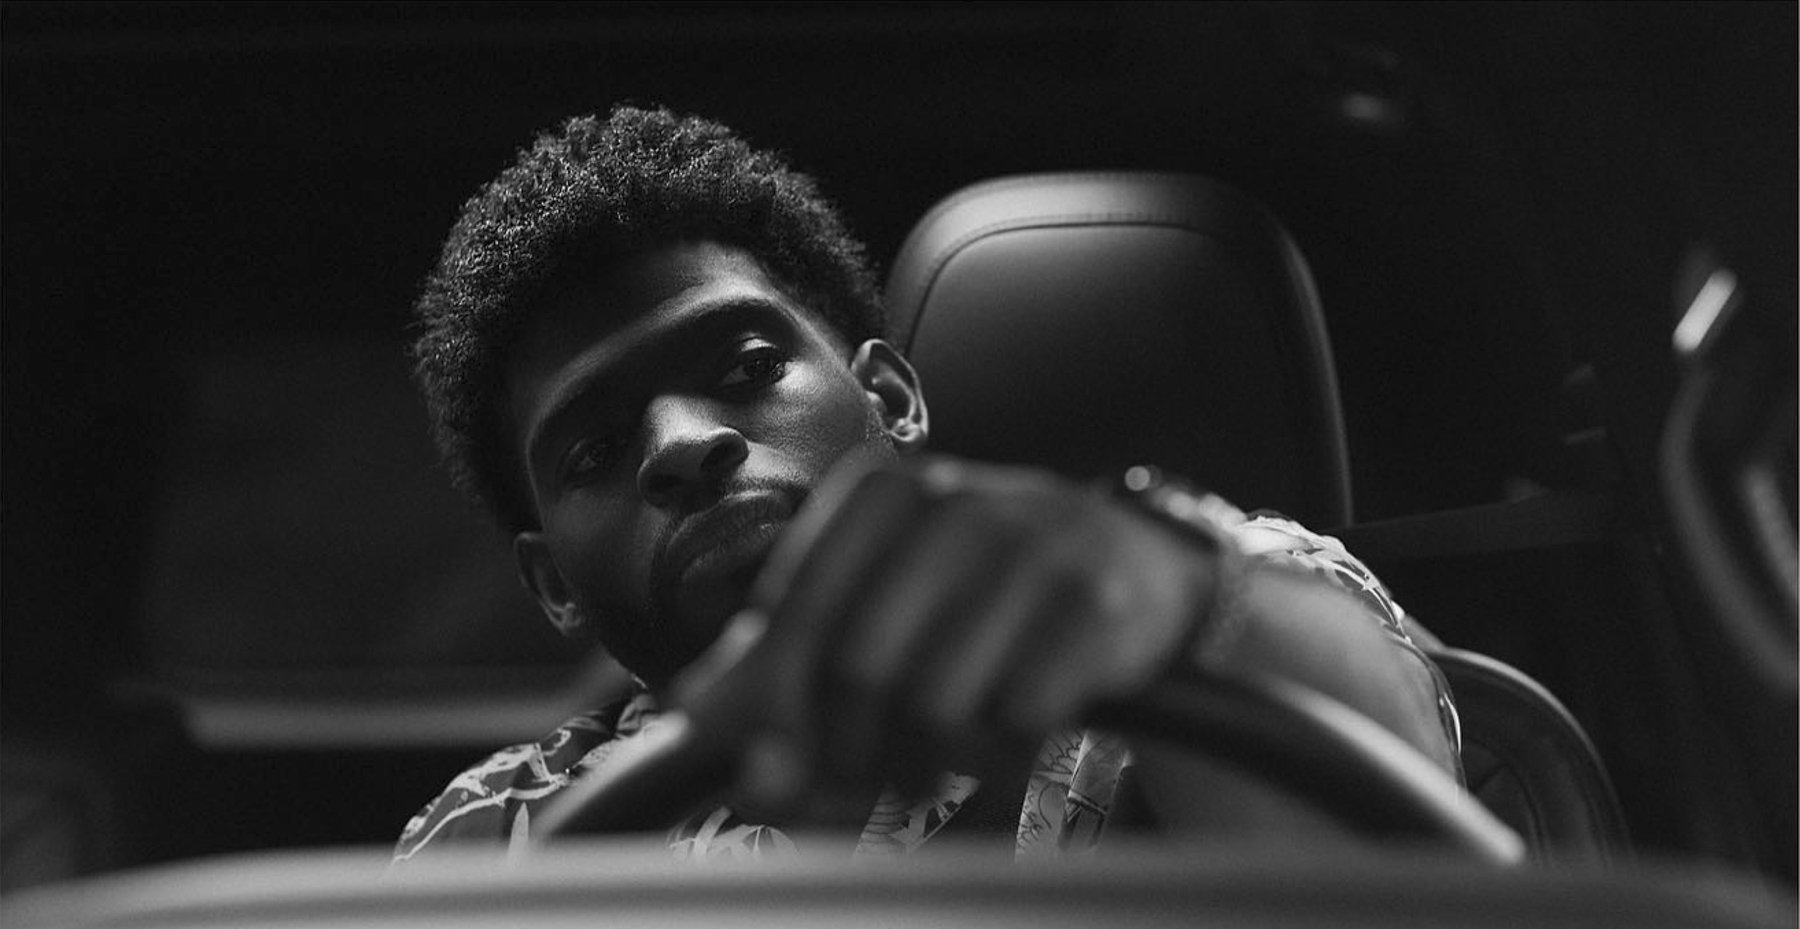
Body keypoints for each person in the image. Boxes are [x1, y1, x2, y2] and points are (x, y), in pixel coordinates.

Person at [393, 104, 1463, 864]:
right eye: (592, 452)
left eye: (748, 368)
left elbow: (1408, 879)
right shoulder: (495, 840)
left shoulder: (1182, 600)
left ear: (892, 395)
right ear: (553, 584)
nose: (680, 442)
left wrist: (1174, 593)